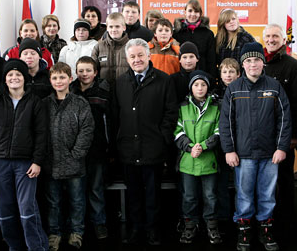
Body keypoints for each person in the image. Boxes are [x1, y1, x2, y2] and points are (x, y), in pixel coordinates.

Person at [219, 42, 291, 251]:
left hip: (270, 154)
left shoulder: (274, 87)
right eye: (248, 60)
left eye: (256, 60)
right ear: (243, 64)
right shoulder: (233, 89)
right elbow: (226, 122)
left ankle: (266, 228)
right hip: (243, 155)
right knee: (244, 193)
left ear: (263, 62)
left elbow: (284, 120)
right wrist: (229, 149)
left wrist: (281, 147)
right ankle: (244, 229)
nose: (253, 64)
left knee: (267, 194)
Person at [112, 38, 178, 246]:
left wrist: (162, 137)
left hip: (153, 148)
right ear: (127, 59)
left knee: (152, 194)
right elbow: (115, 116)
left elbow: (171, 113)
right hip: (128, 149)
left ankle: (152, 230)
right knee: (133, 194)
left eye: (141, 55)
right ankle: (136, 228)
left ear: (148, 56)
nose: (137, 59)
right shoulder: (120, 82)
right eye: (132, 56)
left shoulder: (164, 80)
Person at [0, 59, 49, 251]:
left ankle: (37, 247)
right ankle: (14, 246)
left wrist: (37, 161)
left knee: (27, 209)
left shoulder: (35, 102)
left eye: (18, 74)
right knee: (4, 211)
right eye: (10, 75)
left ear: (25, 78)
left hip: (25, 164)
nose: (14, 77)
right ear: (5, 79)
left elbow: (42, 134)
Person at [42, 62, 94, 250]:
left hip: (75, 163)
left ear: (70, 79)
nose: (59, 81)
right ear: (50, 81)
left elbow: (87, 130)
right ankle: (54, 233)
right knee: (53, 202)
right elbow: (39, 132)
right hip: (51, 163)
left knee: (77, 201)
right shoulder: (44, 104)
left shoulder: (80, 103)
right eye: (55, 78)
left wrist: (76, 154)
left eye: (62, 77)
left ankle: (76, 232)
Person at [262, 23, 297, 244]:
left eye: (275, 36)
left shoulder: (294, 66)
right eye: (268, 36)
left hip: (284, 138)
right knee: (264, 183)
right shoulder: (256, 64)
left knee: (285, 182)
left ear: (283, 39)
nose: (271, 39)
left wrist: (296, 136)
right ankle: (267, 224)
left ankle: (287, 225)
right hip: (260, 138)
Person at [174, 70, 222, 245]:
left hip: (209, 160)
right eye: (196, 85)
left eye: (203, 84)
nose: (200, 88)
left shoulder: (216, 107)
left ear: (208, 87)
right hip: (188, 161)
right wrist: (189, 147)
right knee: (189, 196)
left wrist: (203, 146)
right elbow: (177, 131)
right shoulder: (183, 108)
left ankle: (211, 225)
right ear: (190, 88)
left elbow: (219, 132)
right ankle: (190, 225)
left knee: (210, 195)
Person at [71, 56, 111, 240]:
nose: (84, 74)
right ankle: (77, 226)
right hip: (75, 151)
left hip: (98, 149)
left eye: (88, 70)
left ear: (95, 72)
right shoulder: (70, 91)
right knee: (76, 191)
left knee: (96, 189)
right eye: (81, 70)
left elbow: (110, 121)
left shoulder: (103, 91)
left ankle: (99, 223)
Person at [212, 58, 240, 224]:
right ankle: (223, 217)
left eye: (231, 72)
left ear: (238, 74)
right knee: (221, 184)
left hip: (241, 144)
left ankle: (241, 218)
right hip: (221, 144)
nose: (228, 75)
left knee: (241, 185)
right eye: (225, 72)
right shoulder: (214, 94)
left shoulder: (243, 90)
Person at [173, 0, 216, 79]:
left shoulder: (208, 34)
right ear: (185, 12)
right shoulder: (177, 33)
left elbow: (211, 59)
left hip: (202, 77)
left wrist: (211, 78)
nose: (193, 14)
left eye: (196, 12)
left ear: (200, 14)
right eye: (190, 11)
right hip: (181, 76)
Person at [91, 12, 130, 85]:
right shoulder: (99, 47)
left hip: (126, 88)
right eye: (111, 27)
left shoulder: (132, 46)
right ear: (107, 28)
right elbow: (93, 70)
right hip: (104, 91)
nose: (114, 29)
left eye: (117, 26)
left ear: (124, 27)